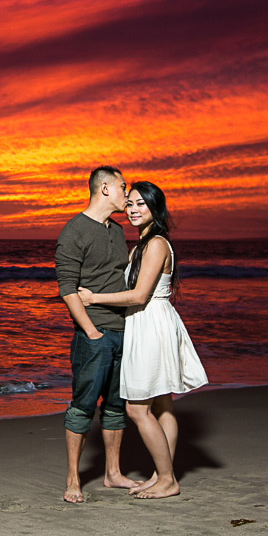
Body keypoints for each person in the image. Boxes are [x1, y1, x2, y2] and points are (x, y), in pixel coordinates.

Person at [77, 181, 208, 499]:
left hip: (151, 325)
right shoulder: (142, 246)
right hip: (148, 323)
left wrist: (94, 299)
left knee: (137, 409)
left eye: (141, 205)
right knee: (162, 405)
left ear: (155, 209)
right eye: (131, 204)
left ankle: (167, 479)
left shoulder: (157, 244)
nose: (133, 210)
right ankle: (162, 475)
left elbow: (138, 294)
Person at [55, 166, 139, 503]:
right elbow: (67, 288)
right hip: (95, 334)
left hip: (125, 331)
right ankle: (73, 479)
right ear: (105, 188)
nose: (126, 192)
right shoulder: (74, 230)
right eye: (123, 186)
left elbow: (119, 273)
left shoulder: (117, 231)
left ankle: (112, 473)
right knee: (83, 406)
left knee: (117, 406)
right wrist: (90, 331)